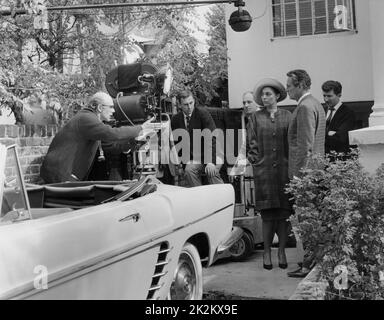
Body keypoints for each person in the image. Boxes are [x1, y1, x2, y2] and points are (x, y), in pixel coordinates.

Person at [40, 91, 154, 183]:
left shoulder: (90, 121)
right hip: (59, 174)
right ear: (100, 107)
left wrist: (133, 142)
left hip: (62, 174)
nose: (113, 111)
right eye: (111, 107)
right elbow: (112, 134)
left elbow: (109, 146)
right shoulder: (86, 119)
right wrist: (140, 129)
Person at [246, 78, 291, 270]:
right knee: (267, 214)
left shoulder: (288, 116)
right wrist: (257, 162)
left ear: (277, 96)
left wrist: (290, 165)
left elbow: (292, 140)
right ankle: (266, 252)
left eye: (268, 94)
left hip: (283, 171)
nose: (264, 98)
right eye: (262, 95)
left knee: (283, 213)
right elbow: (251, 142)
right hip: (264, 172)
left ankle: (281, 251)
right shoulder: (255, 118)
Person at [285, 69, 326, 278]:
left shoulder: (304, 107)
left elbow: (306, 146)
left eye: (290, 85)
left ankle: (308, 265)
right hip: (316, 171)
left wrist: (299, 179)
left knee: (307, 221)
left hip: (306, 175)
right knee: (312, 220)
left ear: (300, 84)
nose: (287, 89)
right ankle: (311, 263)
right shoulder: (316, 103)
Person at [171, 89, 223, 187]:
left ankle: (223, 197)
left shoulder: (202, 113)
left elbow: (211, 139)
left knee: (211, 171)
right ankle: (200, 197)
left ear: (194, 101)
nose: (189, 107)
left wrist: (210, 162)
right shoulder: (175, 120)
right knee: (189, 170)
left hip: (213, 152)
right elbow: (179, 145)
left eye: (191, 103)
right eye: (186, 104)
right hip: (195, 158)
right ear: (180, 105)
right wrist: (183, 164)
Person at [322, 80, 356, 159]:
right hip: (323, 158)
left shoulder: (348, 113)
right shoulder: (322, 110)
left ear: (339, 95)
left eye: (329, 96)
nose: (326, 99)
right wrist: (329, 133)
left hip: (338, 159)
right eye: (324, 96)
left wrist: (323, 136)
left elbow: (340, 139)